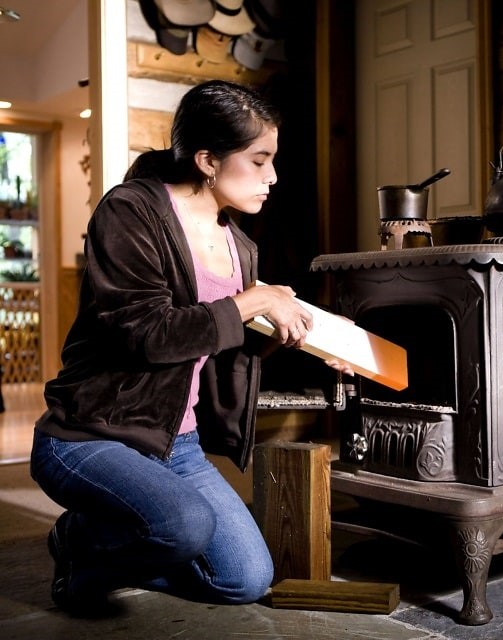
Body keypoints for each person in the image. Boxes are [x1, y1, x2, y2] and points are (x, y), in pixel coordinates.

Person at [30, 79, 350, 614]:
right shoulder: (130, 212)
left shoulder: (238, 241)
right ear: (207, 159)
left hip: (176, 444)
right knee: (183, 526)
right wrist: (254, 302)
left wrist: (311, 345)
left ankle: (127, 533)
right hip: (92, 433)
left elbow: (223, 347)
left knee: (244, 580)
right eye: (259, 160)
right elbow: (145, 332)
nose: (273, 177)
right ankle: (81, 542)